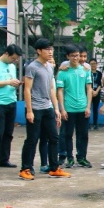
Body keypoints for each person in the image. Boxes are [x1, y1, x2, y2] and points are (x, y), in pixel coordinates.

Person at [20, 38, 68, 181]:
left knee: (54, 137)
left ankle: (54, 168)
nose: (50, 52)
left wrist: (56, 108)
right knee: (32, 139)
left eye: (51, 49)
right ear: (39, 51)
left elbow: (52, 89)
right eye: (47, 49)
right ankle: (25, 168)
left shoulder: (49, 67)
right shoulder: (32, 67)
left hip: (48, 107)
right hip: (35, 108)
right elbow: (27, 90)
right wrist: (29, 110)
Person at [56, 44, 94, 168]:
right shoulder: (63, 72)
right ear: (68, 56)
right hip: (69, 108)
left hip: (83, 108)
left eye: (77, 55)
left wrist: (88, 106)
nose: (76, 58)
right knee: (67, 134)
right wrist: (62, 109)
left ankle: (82, 157)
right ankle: (69, 158)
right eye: (72, 56)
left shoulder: (85, 71)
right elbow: (60, 91)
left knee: (83, 134)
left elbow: (89, 89)